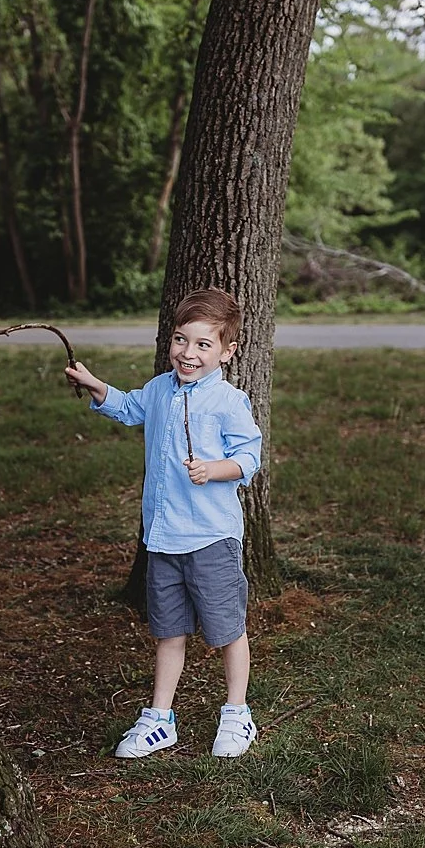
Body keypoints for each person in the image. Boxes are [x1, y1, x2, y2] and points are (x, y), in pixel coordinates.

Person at [65, 288, 263, 759]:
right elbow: (132, 407)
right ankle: (159, 719)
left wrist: (216, 469)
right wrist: (98, 389)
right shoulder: (159, 389)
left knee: (227, 627)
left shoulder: (228, 402)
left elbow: (249, 456)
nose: (187, 353)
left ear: (227, 352)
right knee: (168, 630)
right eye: (180, 340)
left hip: (210, 537)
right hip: (163, 536)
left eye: (202, 345)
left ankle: (237, 712)